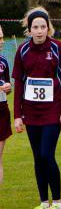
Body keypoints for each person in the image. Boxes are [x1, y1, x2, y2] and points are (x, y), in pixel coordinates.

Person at [12, 7, 61, 209]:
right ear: (29, 30)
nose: (39, 31)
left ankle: (58, 204)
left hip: (52, 111)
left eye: (43, 27)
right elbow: (19, 83)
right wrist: (17, 115)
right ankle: (43, 203)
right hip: (31, 112)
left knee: (47, 154)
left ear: (49, 28)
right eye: (35, 27)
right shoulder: (22, 51)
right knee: (38, 157)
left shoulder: (58, 48)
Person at [0, 25, 13, 197]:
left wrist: (8, 88)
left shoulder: (3, 61)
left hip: (1, 110)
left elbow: (7, 87)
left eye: (2, 37)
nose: (2, 42)